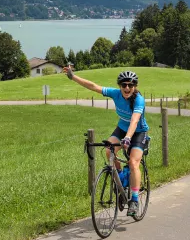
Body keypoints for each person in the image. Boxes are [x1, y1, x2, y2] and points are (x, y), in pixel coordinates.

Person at [63, 64, 149, 216]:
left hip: (138, 132)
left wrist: (128, 138)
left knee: (134, 163)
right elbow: (93, 86)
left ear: (135, 86)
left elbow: (135, 121)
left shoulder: (138, 100)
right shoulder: (115, 94)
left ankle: (134, 199)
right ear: (120, 86)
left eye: (131, 85)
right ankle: (122, 176)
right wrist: (73, 77)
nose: (127, 88)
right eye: (124, 85)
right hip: (122, 128)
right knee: (109, 150)